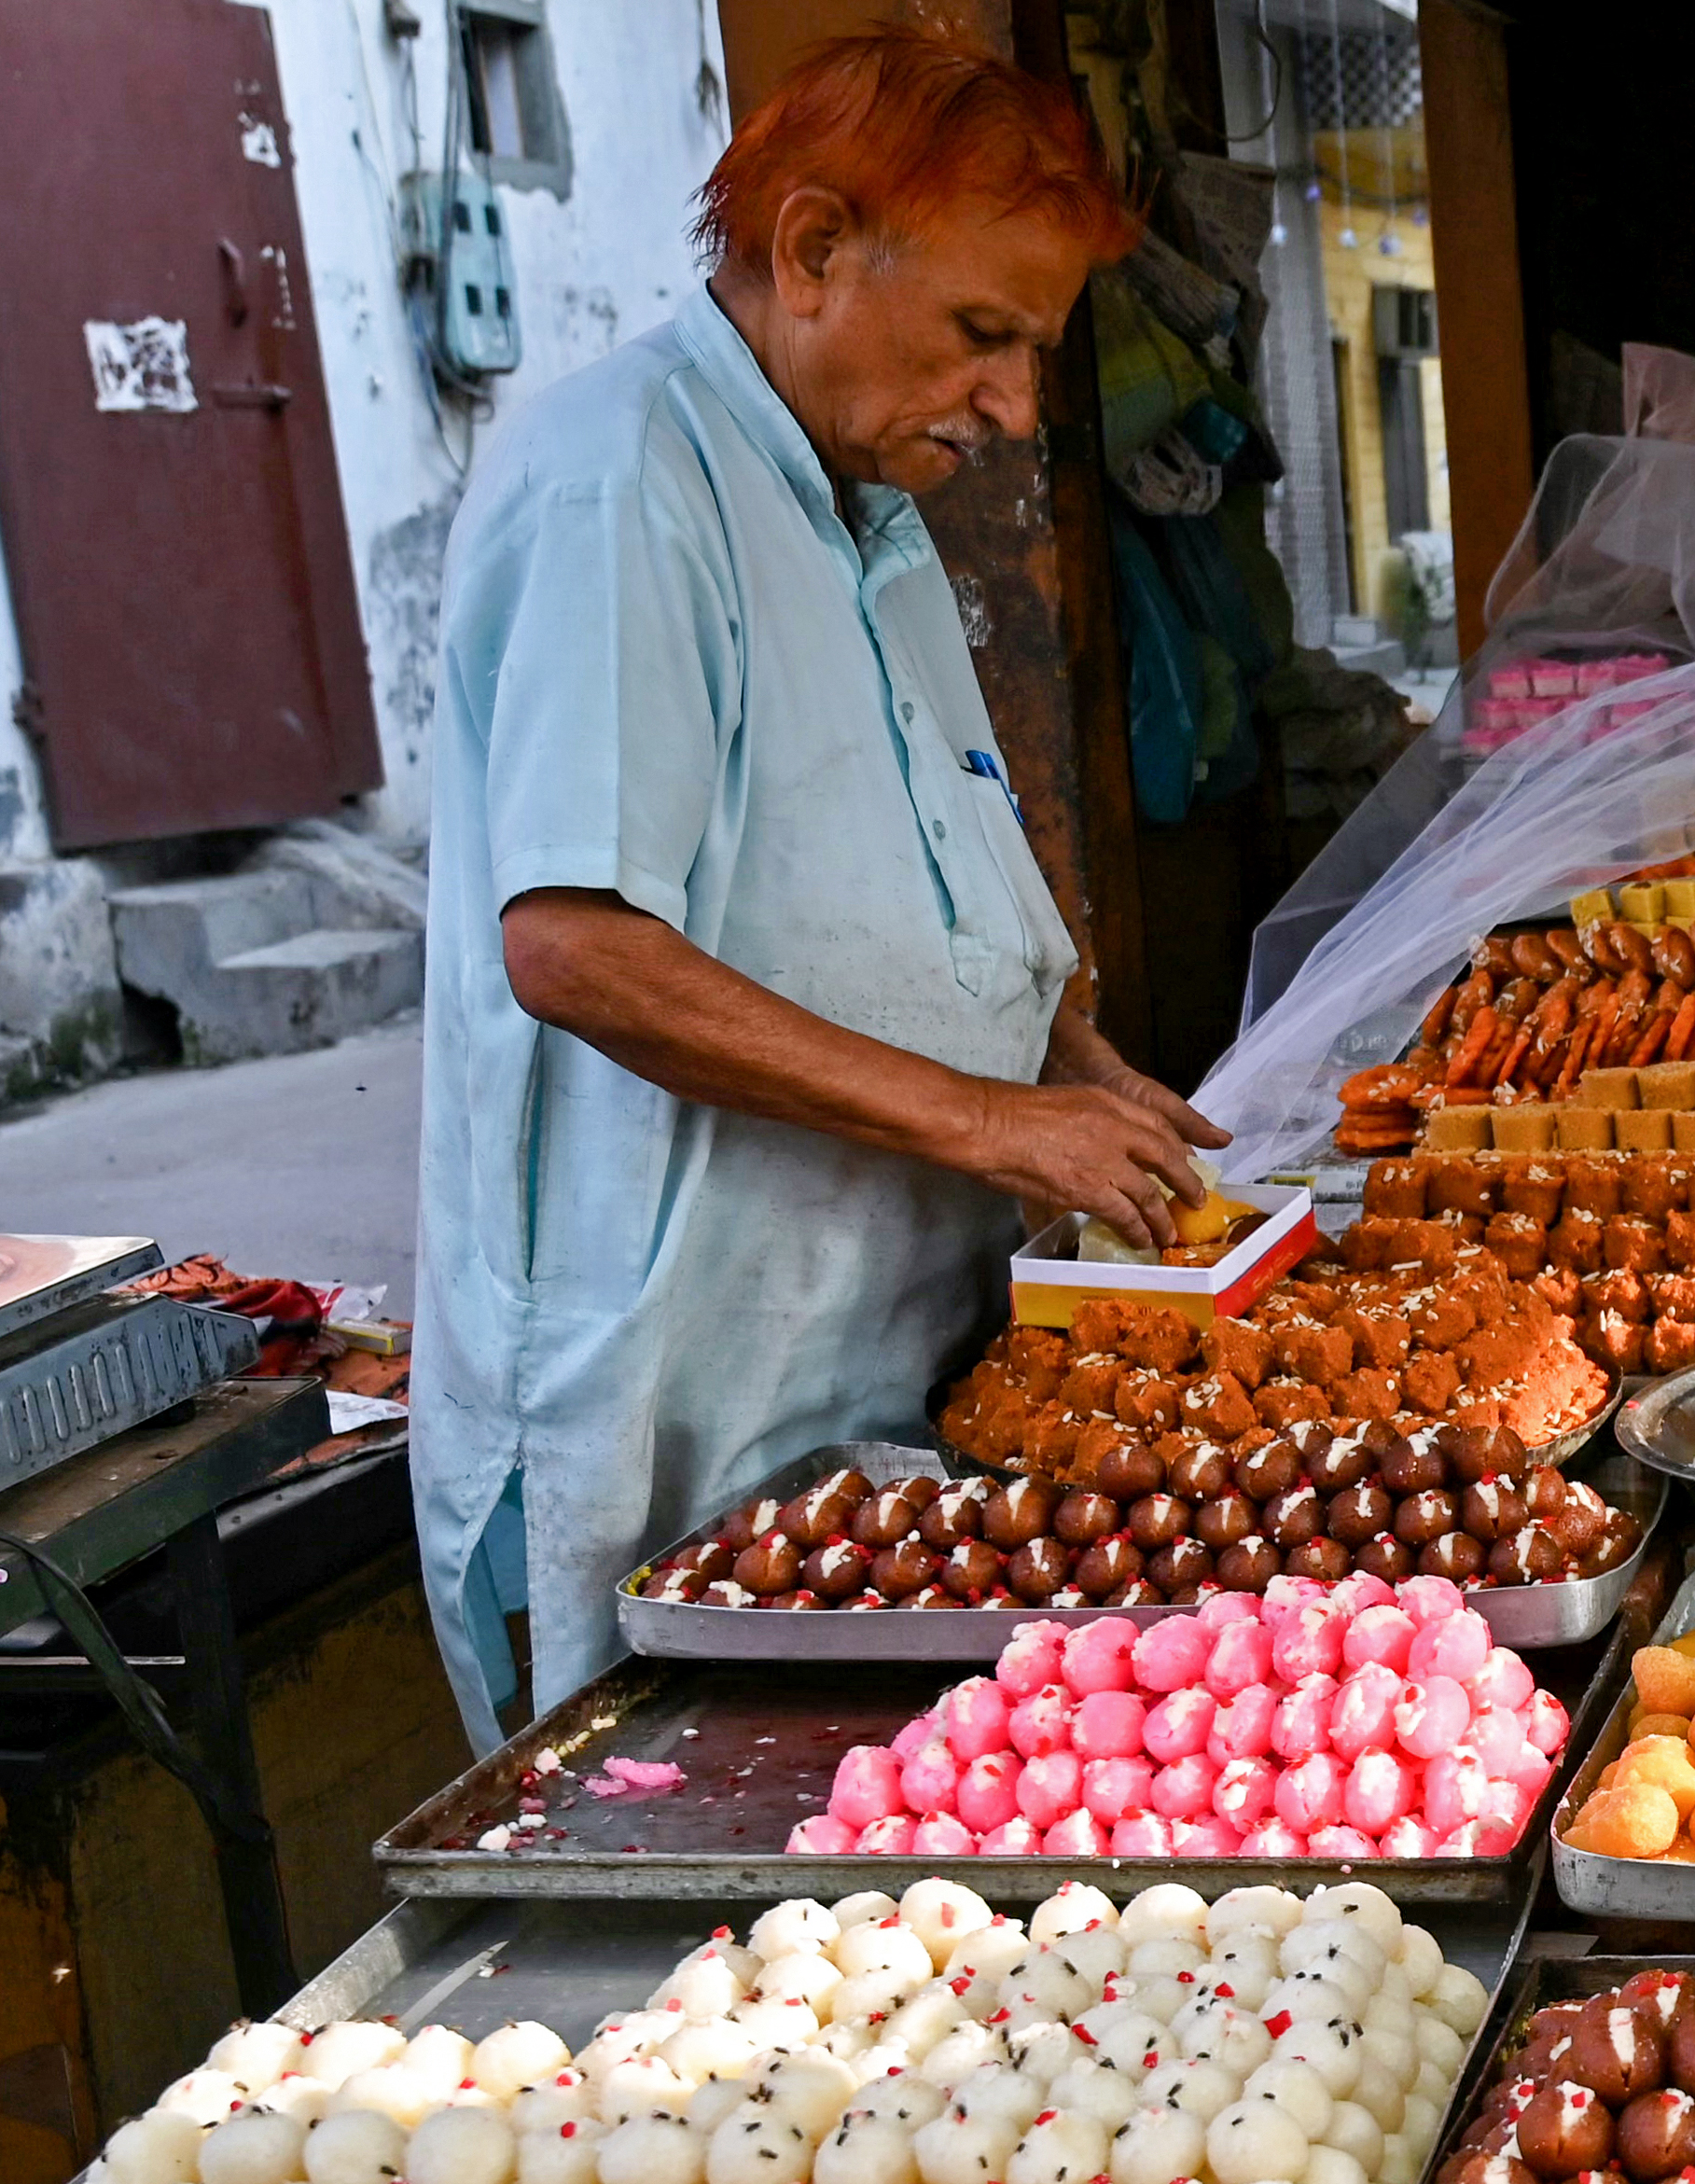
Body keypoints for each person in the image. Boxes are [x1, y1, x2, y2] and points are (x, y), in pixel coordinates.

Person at [413, 32, 1225, 1746]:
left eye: (1033, 350)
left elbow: (925, 867)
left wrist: (1065, 1066)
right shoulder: (622, 478)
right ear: (809, 252)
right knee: (709, 1941)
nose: (1016, 405)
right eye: (984, 335)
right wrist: (988, 1126)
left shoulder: (870, 515)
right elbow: (574, 948)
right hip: (673, 1418)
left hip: (863, 1396)